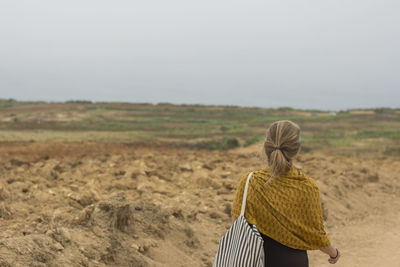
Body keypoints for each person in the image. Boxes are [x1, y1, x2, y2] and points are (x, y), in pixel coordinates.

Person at [231, 120, 340, 267]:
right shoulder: (307, 187)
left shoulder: (249, 181)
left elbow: (236, 225)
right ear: (296, 149)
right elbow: (316, 235)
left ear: (266, 147)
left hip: (253, 260)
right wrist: (334, 253)